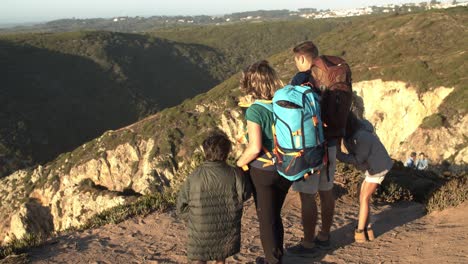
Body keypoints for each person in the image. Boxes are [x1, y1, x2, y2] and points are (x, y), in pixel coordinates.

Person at [236, 60, 292, 264]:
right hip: (287, 167)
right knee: (275, 214)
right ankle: (276, 254)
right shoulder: (285, 103)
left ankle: (273, 260)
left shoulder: (255, 111)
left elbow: (254, 148)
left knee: (266, 219)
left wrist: (237, 164)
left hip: (264, 171)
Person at [287, 41, 336, 254]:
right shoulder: (329, 74)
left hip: (311, 146)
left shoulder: (300, 79)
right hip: (331, 141)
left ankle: (308, 244)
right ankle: (324, 235)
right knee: (326, 191)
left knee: (307, 195)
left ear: (301, 59)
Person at [177, 131, 251, 264]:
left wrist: (196, 216)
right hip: (226, 225)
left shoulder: (194, 176)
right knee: (221, 256)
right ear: (227, 153)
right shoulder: (235, 173)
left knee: (199, 258)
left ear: (205, 152)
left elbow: (181, 208)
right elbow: (245, 195)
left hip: (199, 229)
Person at [336, 112, 393, 243]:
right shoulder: (353, 134)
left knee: (365, 198)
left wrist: (338, 155)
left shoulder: (362, 136)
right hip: (373, 167)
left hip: (378, 168)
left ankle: (360, 232)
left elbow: (358, 159)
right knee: (362, 197)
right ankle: (367, 229)